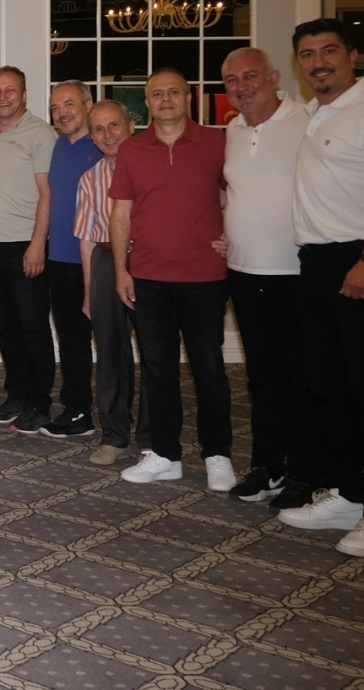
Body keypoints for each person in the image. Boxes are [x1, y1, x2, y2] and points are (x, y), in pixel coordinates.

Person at [277, 18, 364, 558]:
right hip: (316, 263)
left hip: (363, 259)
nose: (319, 63)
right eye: (308, 54)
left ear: (352, 55)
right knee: (329, 385)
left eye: (329, 51)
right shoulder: (313, 114)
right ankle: (348, 493)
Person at [110, 69, 233, 491]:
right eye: (157, 94)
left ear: (188, 97)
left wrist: (234, 234)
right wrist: (121, 270)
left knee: (209, 369)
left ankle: (217, 454)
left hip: (205, 278)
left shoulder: (217, 143)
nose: (165, 99)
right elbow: (121, 213)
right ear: (147, 102)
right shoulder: (132, 149)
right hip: (148, 278)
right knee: (158, 371)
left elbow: (240, 194)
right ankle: (165, 454)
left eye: (173, 92)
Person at [218, 48, 325, 504]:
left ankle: (305, 472)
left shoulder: (308, 120)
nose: (241, 86)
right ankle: (267, 466)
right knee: (262, 378)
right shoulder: (232, 130)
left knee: (303, 378)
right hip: (244, 271)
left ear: (274, 77)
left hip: (295, 271)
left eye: (250, 76)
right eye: (231, 80)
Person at [0, 66, 57, 433]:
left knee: (32, 329)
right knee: (6, 329)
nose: (3, 97)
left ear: (24, 95)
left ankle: (39, 404)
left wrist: (37, 244)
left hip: (25, 245)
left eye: (10, 90)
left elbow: (47, 193)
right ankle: (18, 395)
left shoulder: (40, 134)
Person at [74, 100, 150, 466]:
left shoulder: (153, 168)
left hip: (149, 261)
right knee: (109, 352)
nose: (108, 135)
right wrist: (90, 292)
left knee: (154, 351)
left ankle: (152, 438)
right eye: (99, 129)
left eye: (114, 125)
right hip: (105, 260)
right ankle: (115, 435)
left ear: (131, 126)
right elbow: (87, 240)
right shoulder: (90, 179)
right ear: (92, 137)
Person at [41, 80, 104, 438]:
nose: (61, 113)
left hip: (99, 260)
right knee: (71, 340)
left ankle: (116, 414)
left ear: (88, 105)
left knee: (109, 342)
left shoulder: (103, 144)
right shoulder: (58, 145)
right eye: (55, 107)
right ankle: (77, 411)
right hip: (61, 258)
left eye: (68, 104)